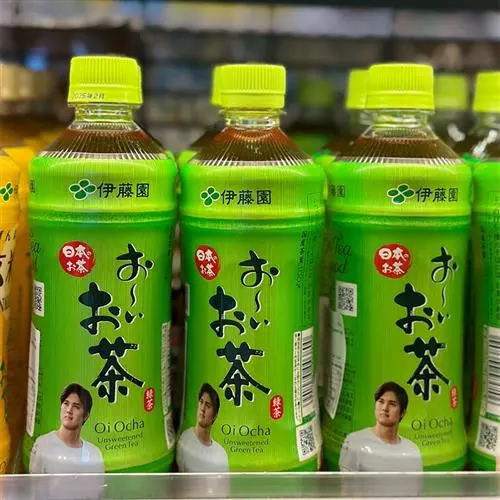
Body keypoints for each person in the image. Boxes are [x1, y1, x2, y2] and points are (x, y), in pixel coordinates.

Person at [339, 381, 423, 472]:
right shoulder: (355, 441)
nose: (385, 408)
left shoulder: (412, 450)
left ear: (402, 413)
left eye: (392, 404)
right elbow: (345, 480)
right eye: (381, 402)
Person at [29, 383, 104, 473]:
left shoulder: (94, 454)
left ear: (86, 416)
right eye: (66, 404)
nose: (69, 410)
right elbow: (34, 481)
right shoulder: (43, 444)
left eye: (76, 407)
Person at [177, 382, 229, 472]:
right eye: (201, 402)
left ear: (214, 416)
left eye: (208, 405)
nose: (202, 408)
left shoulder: (221, 454)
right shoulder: (185, 440)